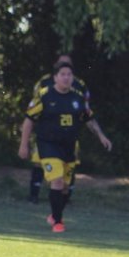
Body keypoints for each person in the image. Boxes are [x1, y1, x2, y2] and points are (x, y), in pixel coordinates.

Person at [17, 61, 113, 232]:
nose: (66, 78)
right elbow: (28, 120)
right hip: (48, 145)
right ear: (55, 78)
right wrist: (23, 145)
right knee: (57, 180)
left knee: (65, 188)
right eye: (63, 74)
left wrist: (101, 136)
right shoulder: (44, 96)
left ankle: (54, 215)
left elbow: (89, 119)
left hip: (69, 147)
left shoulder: (78, 97)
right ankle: (58, 222)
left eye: (69, 75)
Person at [26, 55, 94, 204]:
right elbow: (34, 104)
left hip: (68, 136)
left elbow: (85, 108)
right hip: (47, 135)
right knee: (38, 162)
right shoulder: (44, 82)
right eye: (62, 64)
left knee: (69, 165)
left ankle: (65, 198)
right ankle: (34, 194)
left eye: (68, 65)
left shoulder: (79, 85)